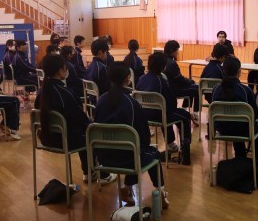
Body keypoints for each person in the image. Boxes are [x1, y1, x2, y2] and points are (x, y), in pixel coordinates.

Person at [94, 64, 169, 208]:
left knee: (133, 150)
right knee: (151, 153)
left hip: (103, 158)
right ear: (128, 78)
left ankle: (128, 189)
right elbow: (144, 135)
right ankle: (160, 190)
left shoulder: (101, 100)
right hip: (128, 159)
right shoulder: (131, 103)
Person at [35, 54, 116, 186]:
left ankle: (89, 172)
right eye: (65, 67)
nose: (67, 70)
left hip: (46, 138)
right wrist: (94, 125)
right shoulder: (64, 93)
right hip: (63, 140)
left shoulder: (41, 92)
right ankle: (103, 175)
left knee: (82, 132)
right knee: (94, 133)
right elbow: (81, 119)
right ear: (60, 71)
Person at [136, 52, 192, 163]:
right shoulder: (162, 81)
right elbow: (171, 104)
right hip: (160, 116)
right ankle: (184, 149)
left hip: (144, 116)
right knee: (185, 116)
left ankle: (171, 143)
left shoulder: (142, 78)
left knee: (164, 112)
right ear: (163, 66)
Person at [211, 57, 258, 160]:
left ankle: (240, 157)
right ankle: (256, 163)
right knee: (256, 128)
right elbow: (255, 114)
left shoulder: (216, 89)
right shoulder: (246, 90)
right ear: (239, 71)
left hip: (222, 129)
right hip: (242, 129)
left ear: (223, 70)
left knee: (234, 123)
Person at [163, 40, 200, 125]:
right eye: (177, 50)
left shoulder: (162, 59)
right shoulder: (172, 63)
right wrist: (191, 81)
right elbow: (180, 79)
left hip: (166, 88)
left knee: (191, 85)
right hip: (174, 89)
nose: (178, 52)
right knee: (197, 88)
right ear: (172, 51)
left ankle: (185, 107)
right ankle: (195, 113)